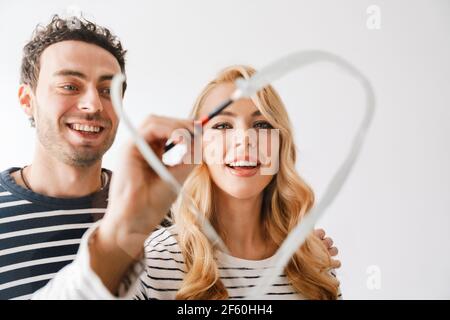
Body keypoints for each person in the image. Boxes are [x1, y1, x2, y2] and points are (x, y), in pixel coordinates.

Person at [0, 15, 338, 300]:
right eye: (69, 86)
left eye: (108, 90)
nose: (93, 105)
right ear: (27, 99)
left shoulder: (161, 212)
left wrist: (301, 246)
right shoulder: (150, 233)